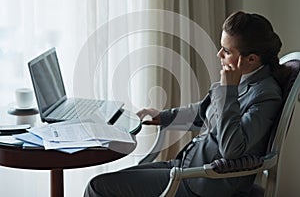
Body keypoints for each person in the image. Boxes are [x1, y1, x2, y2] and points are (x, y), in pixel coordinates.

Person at [84, 11, 287, 197]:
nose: (219, 55)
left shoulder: (265, 95)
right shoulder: (240, 80)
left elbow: (232, 150)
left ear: (251, 59)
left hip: (206, 181)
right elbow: (201, 113)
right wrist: (162, 116)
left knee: (98, 188)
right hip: (187, 167)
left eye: (226, 51)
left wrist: (228, 91)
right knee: (106, 182)